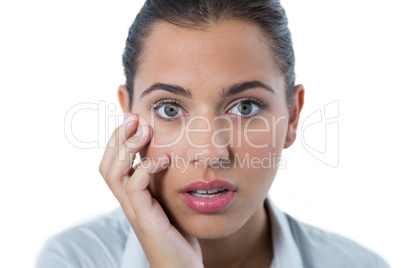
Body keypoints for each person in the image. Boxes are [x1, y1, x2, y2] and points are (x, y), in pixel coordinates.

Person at [35, 0, 389, 267]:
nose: (210, 152)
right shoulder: (72, 259)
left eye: (246, 107)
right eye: (169, 109)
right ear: (129, 115)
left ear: (292, 116)